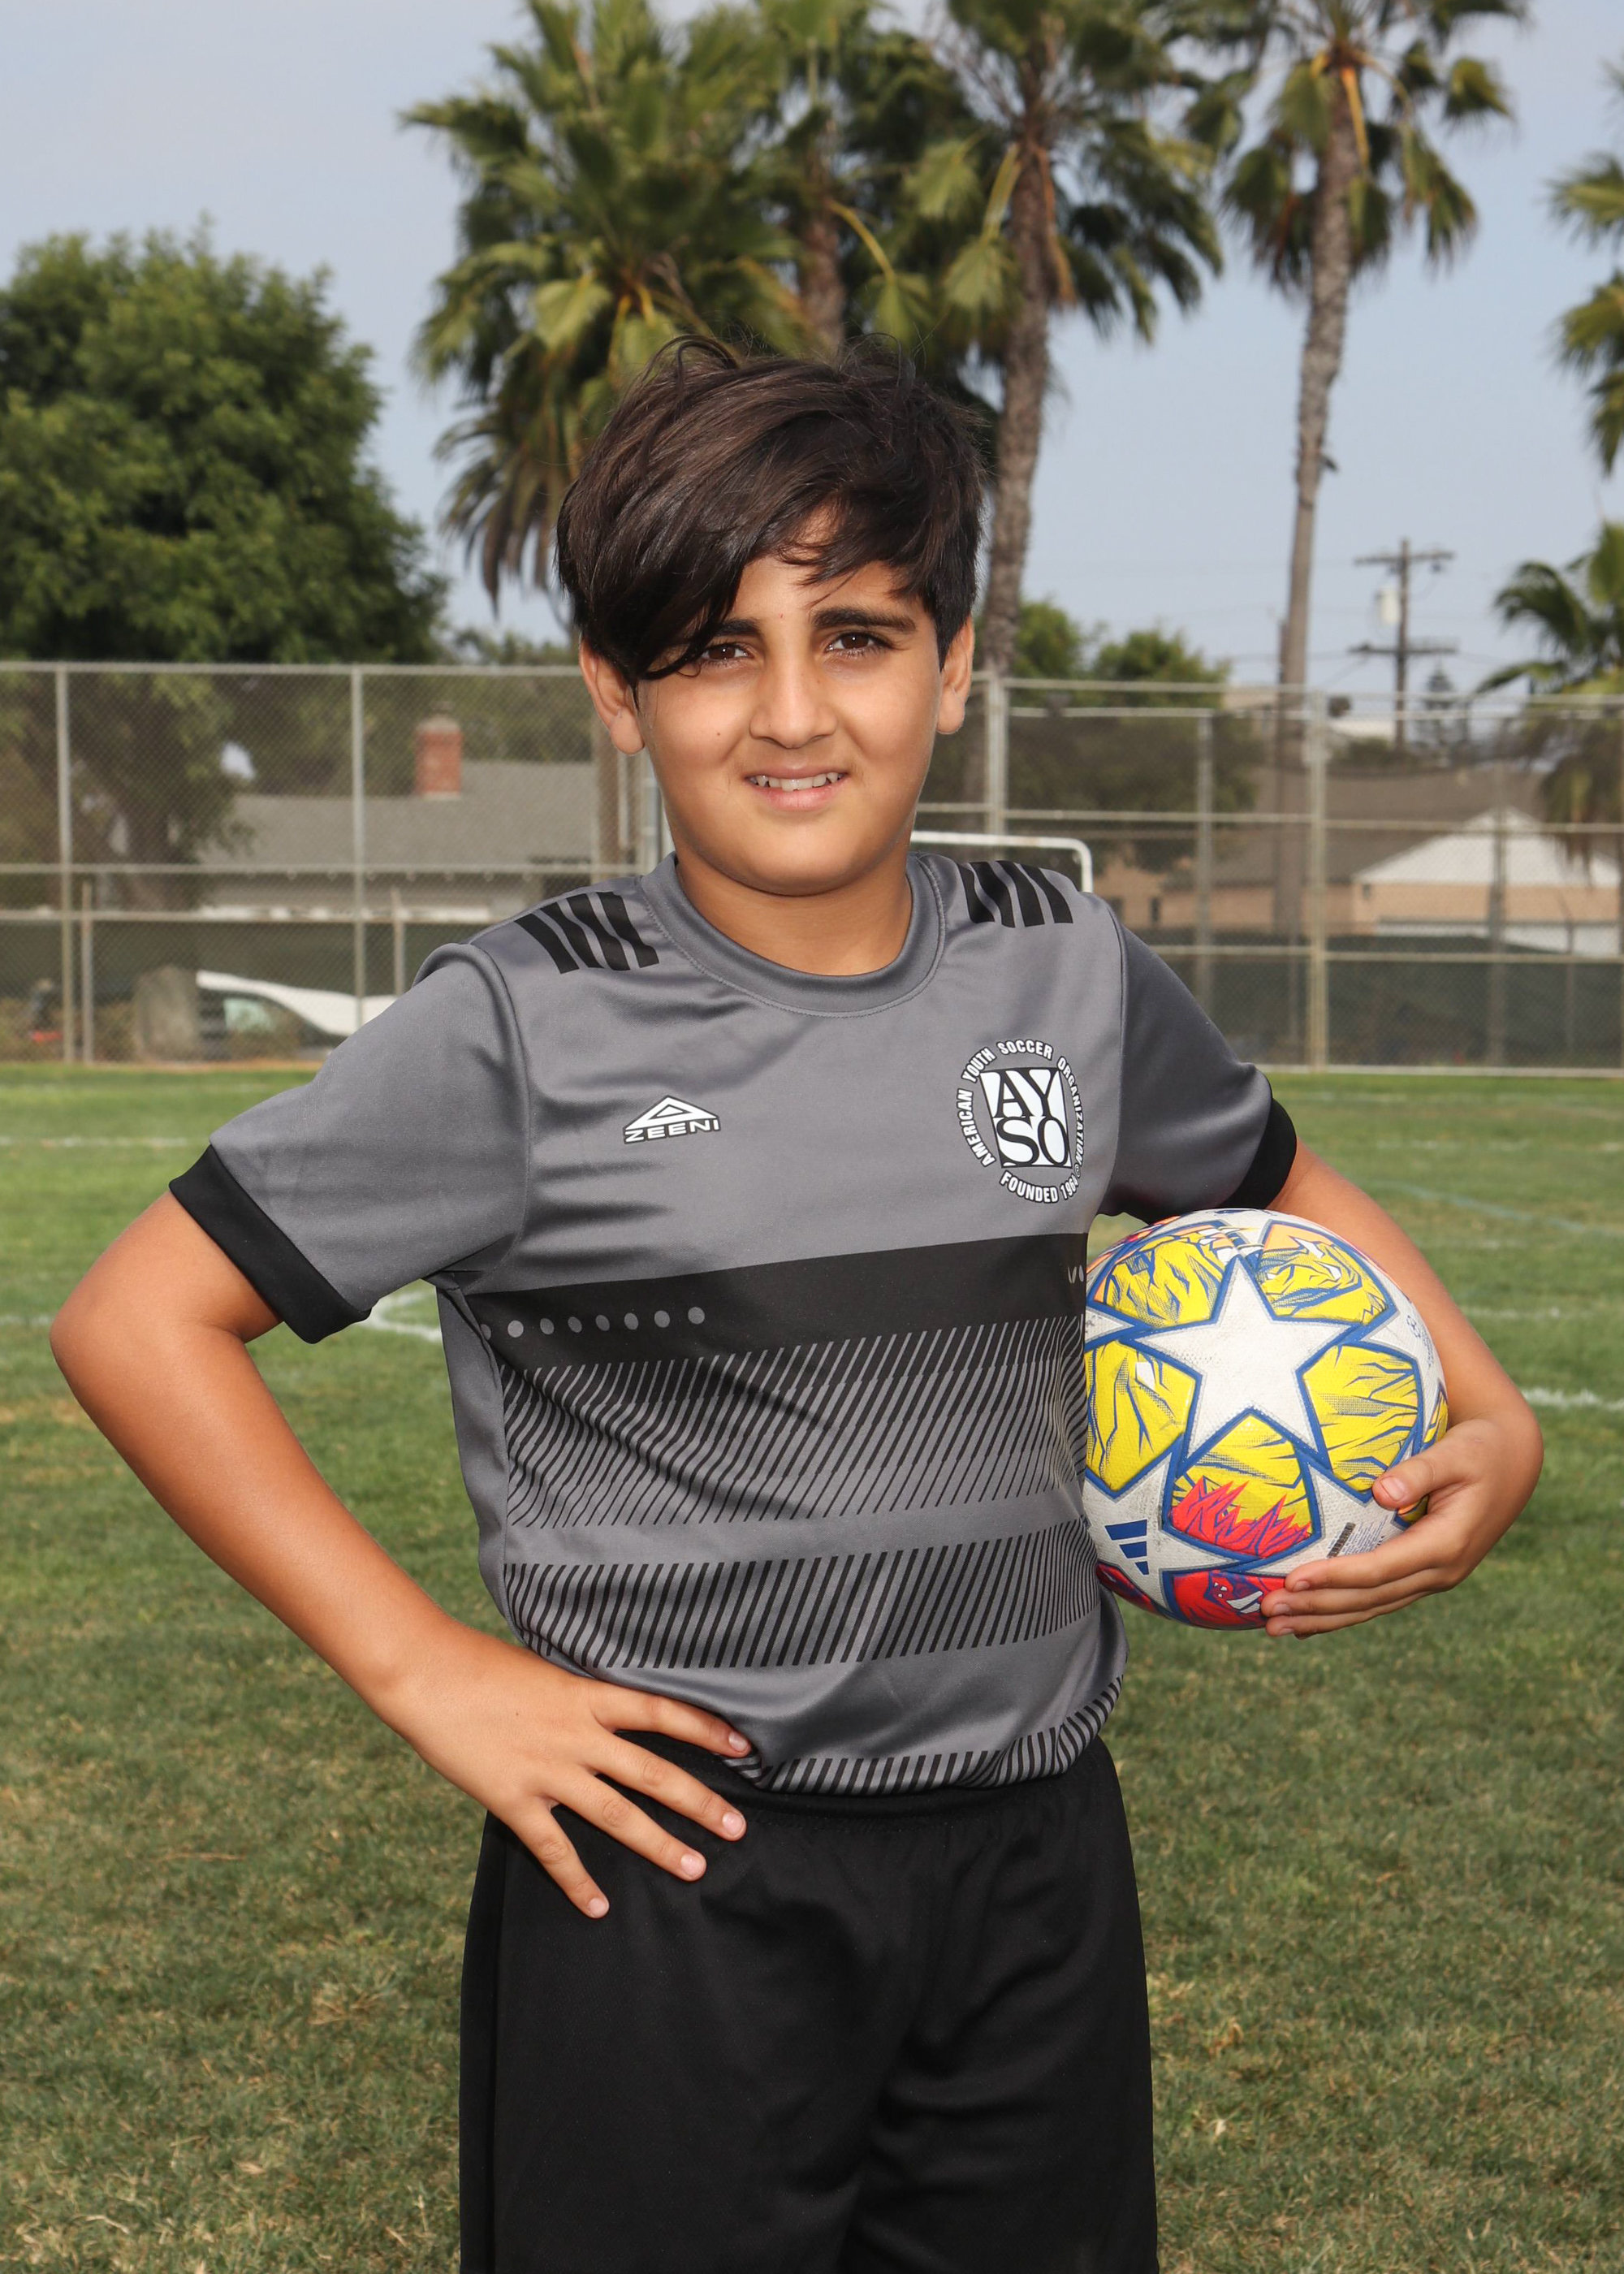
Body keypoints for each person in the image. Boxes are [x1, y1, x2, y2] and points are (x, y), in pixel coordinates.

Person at [51, 343, 1542, 2274]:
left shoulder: (1065, 968)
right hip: (674, 1864)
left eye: (853, 635)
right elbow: (137, 1319)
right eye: (711, 649)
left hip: (1034, 1854)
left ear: (954, 660)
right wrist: (427, 1668)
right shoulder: (525, 1022)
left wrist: (1485, 1410)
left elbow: (1277, 1183)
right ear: (614, 689)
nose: (788, 710)